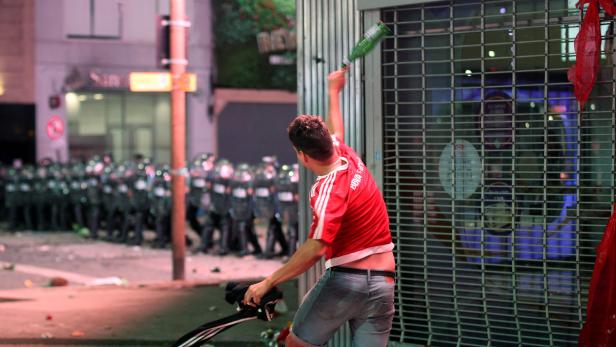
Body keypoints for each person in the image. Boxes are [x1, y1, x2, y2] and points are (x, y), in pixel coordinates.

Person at [244, 67, 396, 347]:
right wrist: (333, 92)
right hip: (384, 285)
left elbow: (316, 248)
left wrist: (267, 282)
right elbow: (336, 129)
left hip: (346, 282)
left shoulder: (328, 191)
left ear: (302, 156)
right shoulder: (347, 156)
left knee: (295, 344)